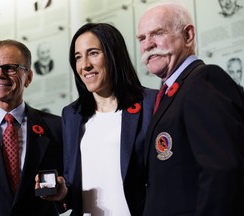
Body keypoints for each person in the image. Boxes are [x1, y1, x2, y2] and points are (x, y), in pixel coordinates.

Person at [137, 2, 244, 215]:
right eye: (142, 38)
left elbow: (221, 173)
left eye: (157, 33)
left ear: (188, 35)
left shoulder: (204, 81)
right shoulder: (170, 92)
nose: (147, 45)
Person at [36, 23, 158, 216]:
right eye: (78, 57)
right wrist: (63, 191)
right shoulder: (72, 115)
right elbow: (73, 183)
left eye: (93, 53)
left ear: (113, 54)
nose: (84, 65)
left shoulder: (151, 104)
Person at [0, 39, 63, 215]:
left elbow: (73, 187)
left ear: (29, 77)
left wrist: (63, 196)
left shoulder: (57, 127)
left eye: (10, 68)